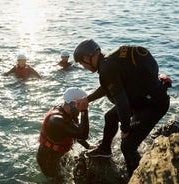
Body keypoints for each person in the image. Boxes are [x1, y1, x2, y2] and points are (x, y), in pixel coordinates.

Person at [73, 39, 171, 177]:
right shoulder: (110, 60)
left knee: (127, 146)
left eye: (83, 64)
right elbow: (108, 86)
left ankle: (137, 178)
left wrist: (125, 128)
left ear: (86, 57)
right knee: (110, 117)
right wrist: (88, 99)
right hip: (145, 98)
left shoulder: (106, 68)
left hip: (153, 105)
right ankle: (105, 150)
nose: (85, 67)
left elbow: (121, 101)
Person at [36, 87, 95, 181]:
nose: (80, 110)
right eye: (81, 105)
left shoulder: (68, 113)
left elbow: (75, 134)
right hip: (47, 159)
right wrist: (84, 111)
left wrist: (87, 146)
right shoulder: (57, 119)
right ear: (72, 103)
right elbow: (82, 134)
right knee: (59, 181)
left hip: (60, 153)